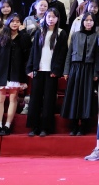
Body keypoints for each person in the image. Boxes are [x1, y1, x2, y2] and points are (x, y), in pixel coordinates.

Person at [26, 8, 68, 136]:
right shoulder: (39, 32)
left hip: (51, 71)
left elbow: (62, 54)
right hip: (38, 69)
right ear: (45, 18)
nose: (51, 19)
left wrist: (56, 70)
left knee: (49, 100)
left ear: (57, 19)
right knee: (35, 99)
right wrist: (30, 68)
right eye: (49, 16)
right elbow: (33, 51)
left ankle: (46, 127)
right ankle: (34, 127)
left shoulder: (61, 33)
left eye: (53, 17)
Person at [0, 13, 31, 136]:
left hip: (16, 73)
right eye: (13, 21)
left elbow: (28, 54)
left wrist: (23, 33)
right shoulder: (2, 36)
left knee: (13, 99)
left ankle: (7, 125)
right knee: (0, 99)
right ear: (8, 23)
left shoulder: (24, 37)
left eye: (17, 21)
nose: (15, 23)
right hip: (1, 72)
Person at [62, 12, 99, 136]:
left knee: (86, 97)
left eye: (91, 20)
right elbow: (69, 53)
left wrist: (95, 73)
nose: (88, 22)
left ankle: (84, 126)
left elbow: (97, 56)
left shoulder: (97, 36)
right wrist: (66, 70)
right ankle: (73, 125)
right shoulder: (75, 35)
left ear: (94, 22)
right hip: (75, 68)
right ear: (82, 22)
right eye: (86, 20)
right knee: (74, 96)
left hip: (89, 69)